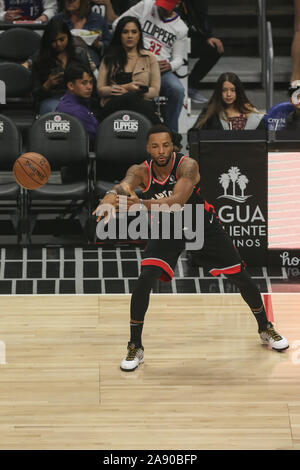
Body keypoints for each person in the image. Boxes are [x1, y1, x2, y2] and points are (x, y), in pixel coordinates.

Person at [92, 124, 289, 371]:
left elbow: (178, 201)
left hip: (199, 221)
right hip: (168, 226)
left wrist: (138, 204)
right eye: (155, 146)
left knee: (239, 275)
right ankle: (135, 346)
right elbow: (125, 185)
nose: (161, 150)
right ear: (147, 148)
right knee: (145, 278)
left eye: (165, 145)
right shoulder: (141, 170)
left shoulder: (188, 165)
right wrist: (110, 197)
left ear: (172, 145)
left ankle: (265, 327)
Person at [113, 0, 188, 134]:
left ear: (177, 5)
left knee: (177, 90)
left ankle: (170, 134)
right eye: (160, 4)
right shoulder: (146, 5)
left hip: (159, 68)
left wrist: (170, 65)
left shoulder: (181, 28)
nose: (160, 9)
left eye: (166, 7)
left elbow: (179, 58)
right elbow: (117, 24)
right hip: (133, 60)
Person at [97, 15, 161, 125]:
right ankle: (166, 132)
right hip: (114, 105)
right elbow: (100, 90)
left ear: (139, 34)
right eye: (125, 32)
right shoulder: (109, 58)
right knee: (130, 97)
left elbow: (155, 90)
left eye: (134, 32)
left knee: (132, 98)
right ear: (119, 35)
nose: (130, 36)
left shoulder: (149, 57)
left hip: (142, 104)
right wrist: (125, 88)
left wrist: (130, 93)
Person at [31, 17, 93, 115]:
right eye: (53, 41)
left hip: (78, 98)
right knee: (58, 111)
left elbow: (91, 83)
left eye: (62, 39)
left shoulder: (79, 55)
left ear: (68, 36)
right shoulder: (39, 59)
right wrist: (47, 85)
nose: (58, 44)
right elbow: (34, 96)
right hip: (51, 99)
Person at [176, 0, 224, 104]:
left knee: (214, 49)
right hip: (165, 36)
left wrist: (208, 36)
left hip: (187, 37)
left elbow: (201, 16)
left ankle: (190, 86)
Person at [192, 72, 266, 130]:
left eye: (233, 90)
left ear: (238, 92)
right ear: (219, 92)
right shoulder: (210, 112)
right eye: (224, 90)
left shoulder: (249, 110)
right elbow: (194, 135)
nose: (229, 94)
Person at [55, 0, 112, 68]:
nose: (69, 1)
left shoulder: (98, 19)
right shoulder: (57, 20)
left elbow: (110, 45)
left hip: (93, 66)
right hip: (65, 65)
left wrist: (98, 44)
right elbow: (47, 46)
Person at [56, 63, 99, 144]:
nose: (89, 87)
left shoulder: (67, 102)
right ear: (71, 85)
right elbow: (96, 138)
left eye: (91, 82)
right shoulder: (75, 110)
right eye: (84, 83)